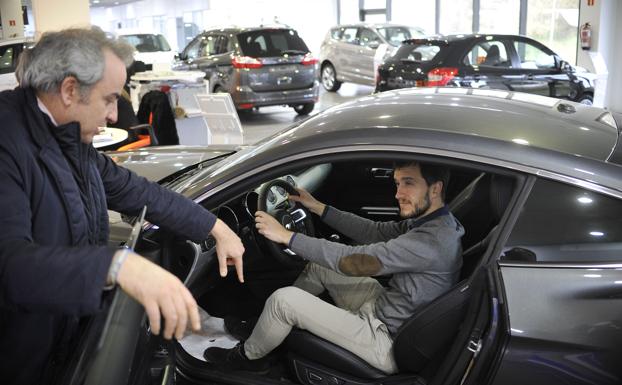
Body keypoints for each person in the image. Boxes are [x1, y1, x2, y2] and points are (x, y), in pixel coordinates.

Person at [0, 27, 244, 385]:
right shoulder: (7, 142)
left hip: (63, 347)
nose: (115, 115)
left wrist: (214, 227)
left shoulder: (68, 139)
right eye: (110, 99)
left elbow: (137, 191)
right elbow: (10, 267)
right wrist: (117, 266)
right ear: (70, 90)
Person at [204, 161, 465, 373]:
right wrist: (316, 207)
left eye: (408, 183)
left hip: (388, 341)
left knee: (284, 301)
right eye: (397, 183)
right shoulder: (433, 222)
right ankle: (266, 326)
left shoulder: (430, 242)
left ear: (435, 188)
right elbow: (372, 231)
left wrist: (287, 236)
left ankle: (248, 358)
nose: (398, 194)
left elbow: (355, 262)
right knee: (320, 268)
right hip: (388, 309)